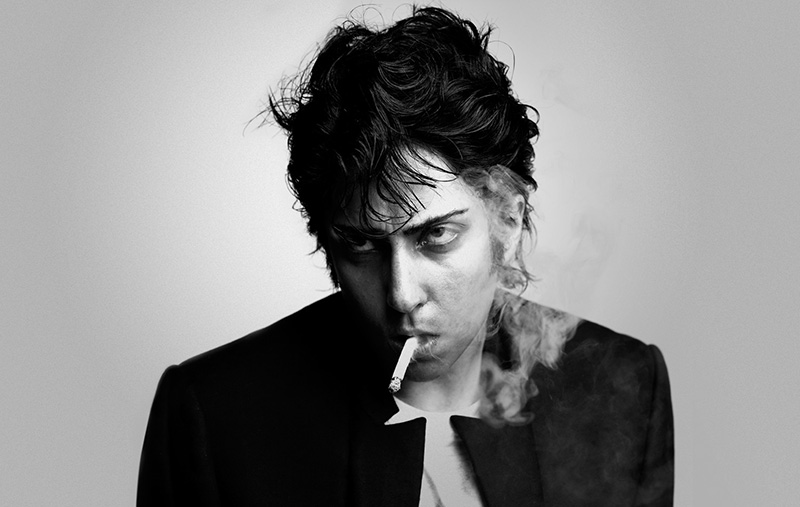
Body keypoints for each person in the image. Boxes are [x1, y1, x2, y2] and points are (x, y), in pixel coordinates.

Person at [137, 6, 673, 506]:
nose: (400, 294)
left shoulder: (623, 385)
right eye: (361, 245)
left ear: (507, 222)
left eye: (436, 236)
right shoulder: (215, 416)